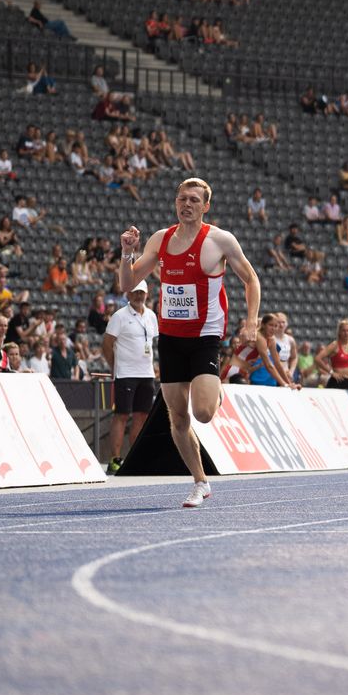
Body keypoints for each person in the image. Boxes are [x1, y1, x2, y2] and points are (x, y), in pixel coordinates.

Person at [118, 178, 262, 508]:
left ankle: (214, 390)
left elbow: (251, 278)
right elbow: (129, 284)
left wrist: (252, 320)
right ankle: (200, 482)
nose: (187, 204)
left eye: (194, 200)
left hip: (205, 338)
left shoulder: (219, 240)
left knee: (204, 412)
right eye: (182, 198)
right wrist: (127, 252)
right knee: (178, 418)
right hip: (170, 338)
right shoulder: (160, 239)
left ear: (205, 206)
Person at [102, 282, 159, 473]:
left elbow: (151, 343)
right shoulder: (119, 316)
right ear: (128, 293)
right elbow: (107, 344)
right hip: (125, 374)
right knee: (121, 415)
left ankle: (135, 457)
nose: (138, 296)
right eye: (135, 292)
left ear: (147, 293)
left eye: (141, 292)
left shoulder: (151, 316)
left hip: (146, 374)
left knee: (141, 416)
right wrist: (114, 367)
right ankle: (115, 459)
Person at [319, 319, 348, 389]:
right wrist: (331, 372)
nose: (346, 333)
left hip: (347, 381)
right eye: (344, 331)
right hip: (336, 381)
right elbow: (318, 358)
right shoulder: (335, 345)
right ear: (339, 332)